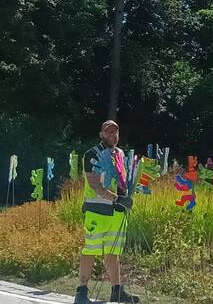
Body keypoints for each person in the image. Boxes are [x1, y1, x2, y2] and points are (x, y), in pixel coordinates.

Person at [74, 120, 138, 304]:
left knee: (113, 252)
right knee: (91, 249)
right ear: (101, 134)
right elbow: (95, 185)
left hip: (117, 213)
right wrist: (117, 198)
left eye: (115, 132)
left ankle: (117, 290)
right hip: (97, 211)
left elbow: (122, 180)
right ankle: (82, 291)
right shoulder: (92, 154)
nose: (113, 135)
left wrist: (126, 196)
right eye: (108, 132)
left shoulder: (120, 154)